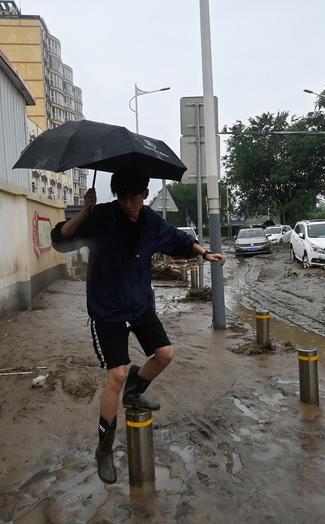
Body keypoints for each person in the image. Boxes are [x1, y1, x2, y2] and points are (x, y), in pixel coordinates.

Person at [50, 167, 226, 484]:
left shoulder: (151, 222)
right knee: (116, 373)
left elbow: (177, 239)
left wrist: (205, 252)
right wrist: (85, 212)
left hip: (140, 304)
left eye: (133, 198)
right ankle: (104, 448)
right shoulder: (102, 217)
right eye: (122, 198)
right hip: (108, 310)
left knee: (165, 354)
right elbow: (60, 240)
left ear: (145, 195)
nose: (128, 204)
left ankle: (135, 390)